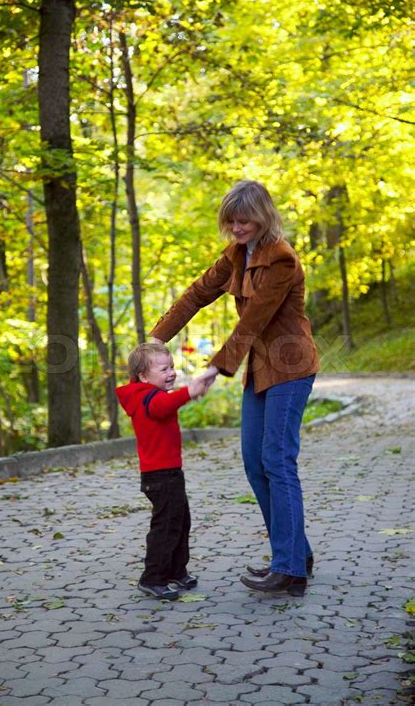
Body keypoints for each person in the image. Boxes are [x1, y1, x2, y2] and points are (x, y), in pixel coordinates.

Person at [149, 180, 320, 596]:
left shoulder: (281, 258)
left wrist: (215, 368)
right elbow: (196, 294)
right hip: (261, 368)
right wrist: (157, 339)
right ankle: (296, 553)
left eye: (245, 220)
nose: (238, 227)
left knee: (277, 461)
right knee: (253, 462)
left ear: (262, 216)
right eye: (232, 221)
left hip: (291, 366)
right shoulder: (235, 255)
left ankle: (290, 569)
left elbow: (254, 320)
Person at [116, 342, 208, 601]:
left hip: (169, 473)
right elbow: (163, 406)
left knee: (180, 522)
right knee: (166, 527)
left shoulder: (150, 394)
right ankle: (152, 578)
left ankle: (176, 571)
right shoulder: (147, 397)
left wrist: (196, 389)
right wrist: (189, 392)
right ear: (144, 377)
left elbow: (167, 403)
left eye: (172, 367)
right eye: (164, 369)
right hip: (160, 476)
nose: (171, 373)